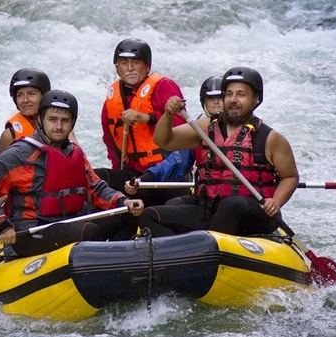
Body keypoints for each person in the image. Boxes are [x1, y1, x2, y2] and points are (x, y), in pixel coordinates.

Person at [0, 90, 144, 257]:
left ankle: (115, 266)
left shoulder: (73, 152)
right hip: (31, 232)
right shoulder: (20, 153)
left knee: (126, 215)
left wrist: (124, 201)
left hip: (70, 221)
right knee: (88, 231)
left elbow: (96, 188)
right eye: (52, 120)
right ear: (40, 120)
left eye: (64, 121)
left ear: (72, 123)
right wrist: (1, 223)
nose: (59, 126)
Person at [138, 66, 299, 237]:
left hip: (253, 214)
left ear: (255, 98)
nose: (233, 99)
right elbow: (164, 140)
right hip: (209, 210)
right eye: (229, 94)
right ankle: (183, 256)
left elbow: (290, 176)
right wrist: (169, 113)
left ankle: (210, 248)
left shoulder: (270, 138)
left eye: (241, 94)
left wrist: (275, 201)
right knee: (150, 216)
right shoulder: (204, 128)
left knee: (231, 205)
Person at [94, 38, 190, 206]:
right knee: (96, 177)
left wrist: (147, 118)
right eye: (124, 63)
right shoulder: (112, 98)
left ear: (147, 66)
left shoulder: (164, 86)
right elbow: (111, 144)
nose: (130, 68)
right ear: (117, 67)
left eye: (136, 62)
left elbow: (183, 129)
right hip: (133, 176)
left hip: (167, 174)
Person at [122, 75, 224, 201]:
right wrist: (142, 180)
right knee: (154, 214)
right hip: (207, 197)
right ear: (204, 103)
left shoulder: (247, 130)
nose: (216, 102)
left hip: (232, 197)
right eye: (211, 98)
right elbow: (174, 163)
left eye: (220, 98)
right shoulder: (198, 131)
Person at [0, 68, 79, 154]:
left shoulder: (60, 126)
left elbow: (78, 157)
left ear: (44, 96)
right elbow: (0, 167)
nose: (25, 100)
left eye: (32, 93)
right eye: (20, 95)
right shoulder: (9, 135)